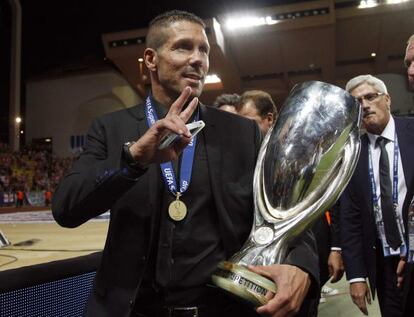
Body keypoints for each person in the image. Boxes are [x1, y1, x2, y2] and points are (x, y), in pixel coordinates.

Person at [52, 10, 318, 317]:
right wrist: (133, 160)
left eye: (204, 50)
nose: (198, 59)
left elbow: (286, 211)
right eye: (183, 47)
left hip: (220, 310)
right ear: (151, 59)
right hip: (133, 310)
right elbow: (66, 208)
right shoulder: (112, 130)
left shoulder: (241, 133)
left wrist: (301, 266)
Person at [237, 90, 343, 308]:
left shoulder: (299, 152)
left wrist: (330, 251)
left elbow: (321, 208)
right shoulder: (242, 157)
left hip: (303, 250)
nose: (242, 129)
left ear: (269, 119)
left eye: (249, 121)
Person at [340, 74, 414, 316]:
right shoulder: (352, 154)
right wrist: (356, 276)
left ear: (388, 99)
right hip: (382, 263)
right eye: (357, 102)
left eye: (370, 97)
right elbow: (350, 218)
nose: (364, 105)